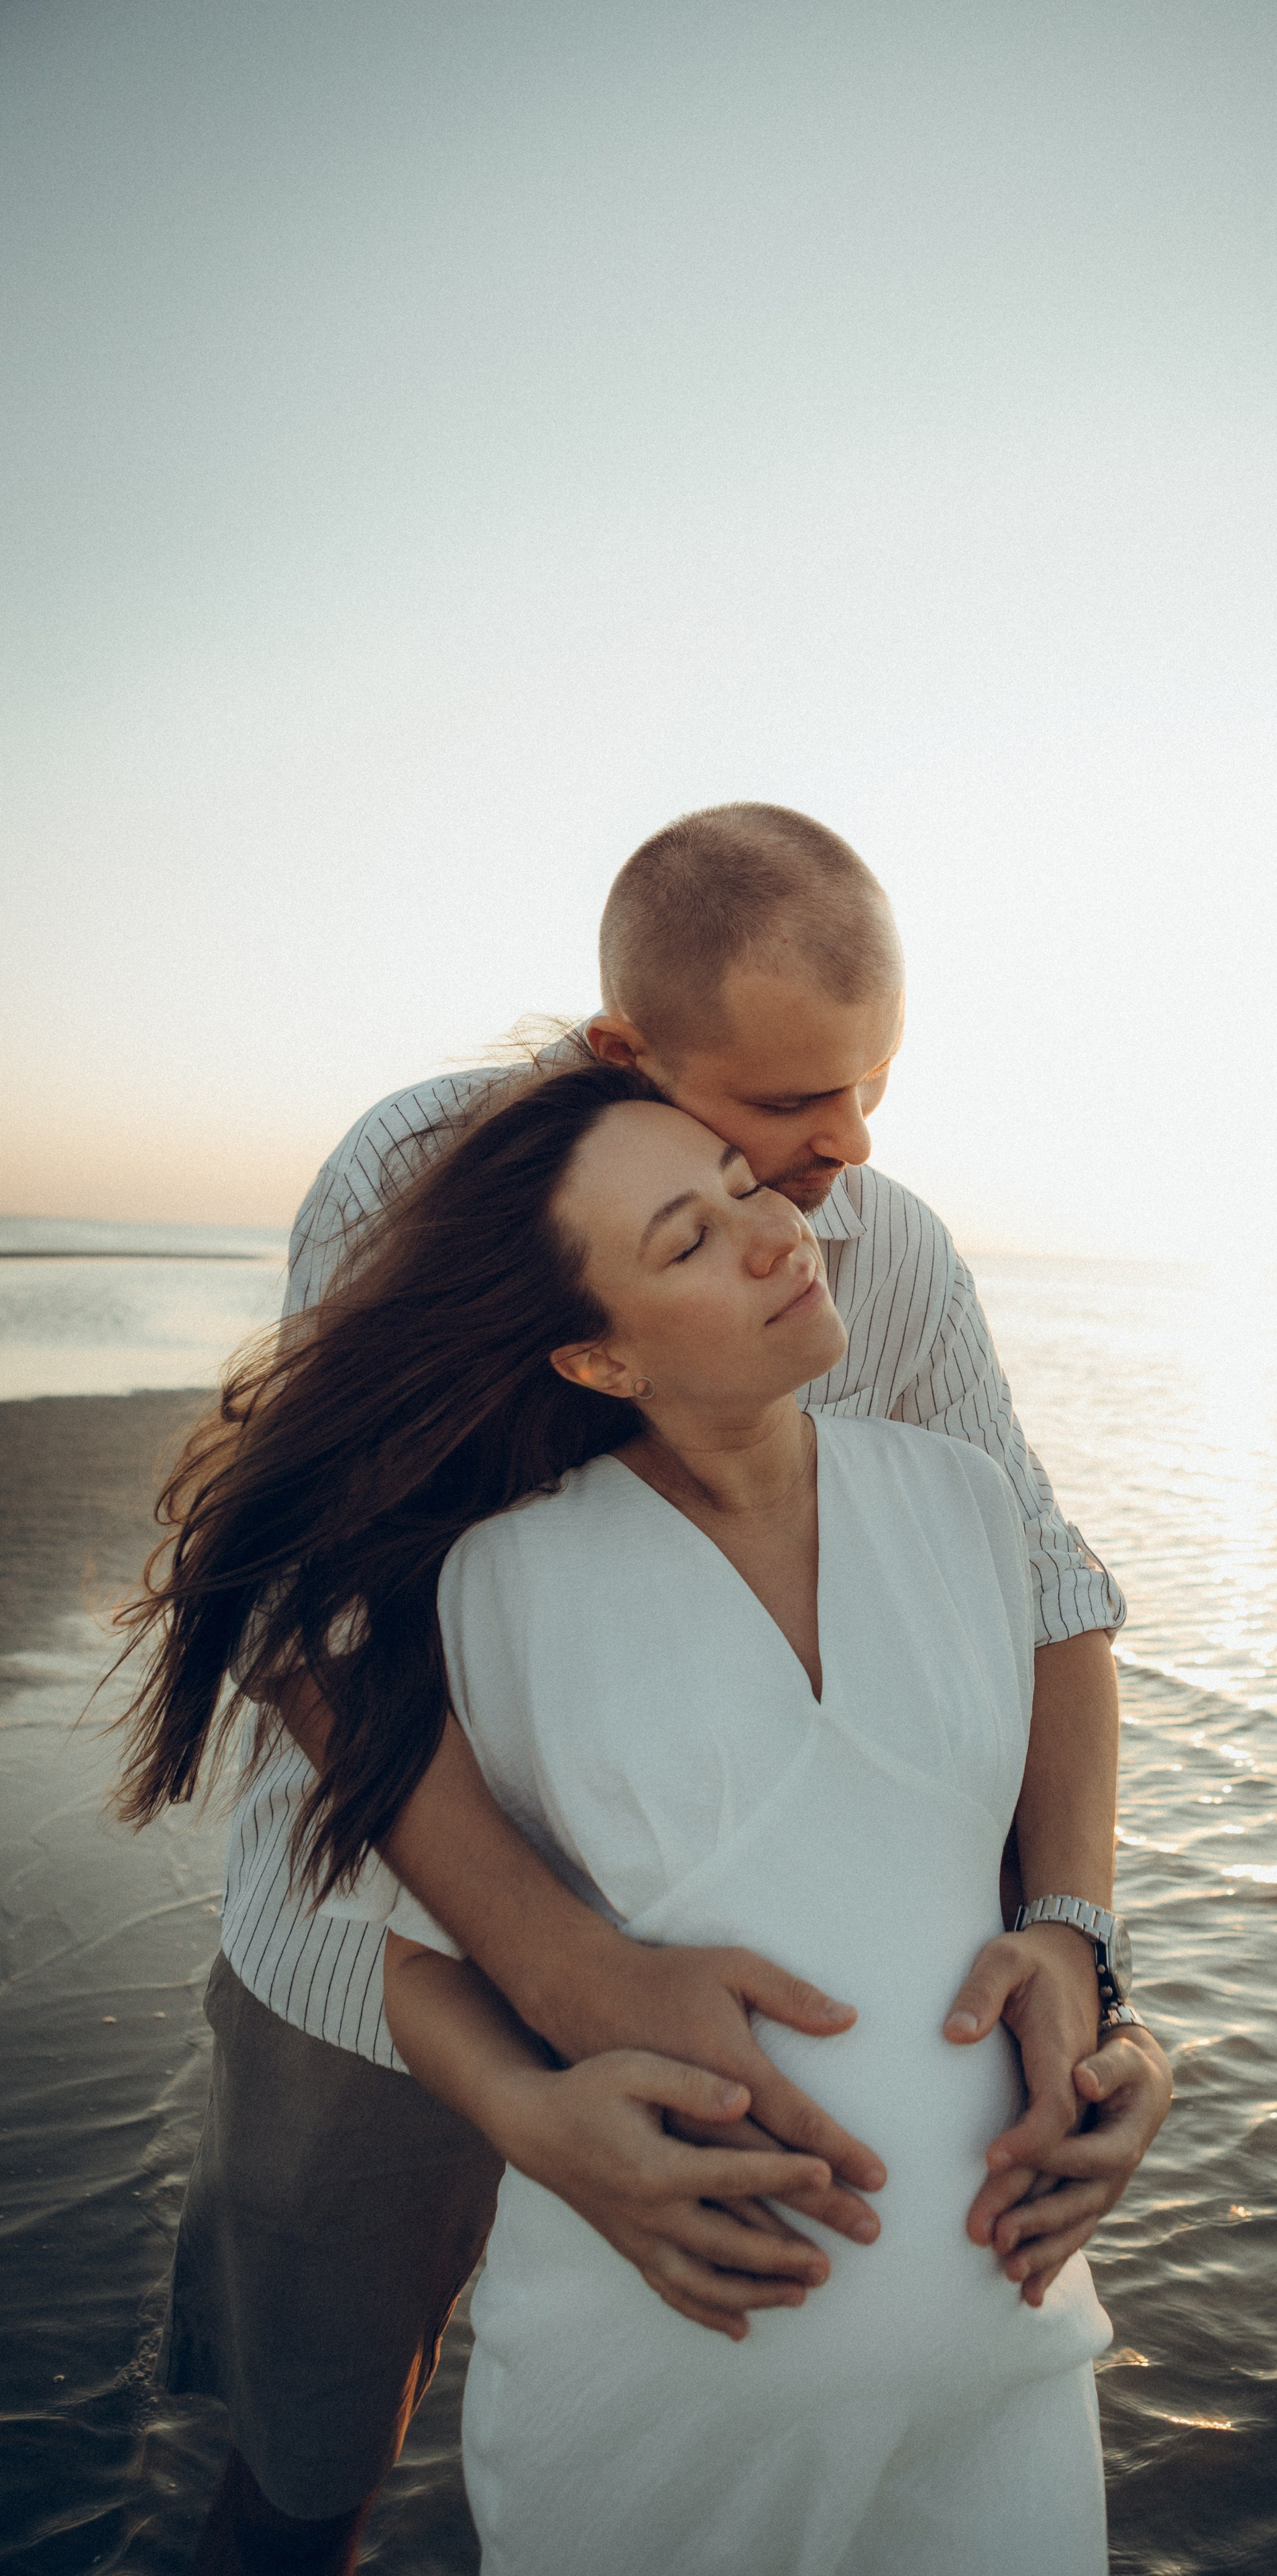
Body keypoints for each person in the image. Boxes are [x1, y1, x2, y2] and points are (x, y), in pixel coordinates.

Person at [119, 804, 1172, 2571]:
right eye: (780, 1107)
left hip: (740, 2024)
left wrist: (1075, 1935)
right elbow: (315, 1607)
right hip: (364, 1971)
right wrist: (568, 1978)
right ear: (628, 1052)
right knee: (312, 2475)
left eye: (870, 1087)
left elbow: (1054, 1597)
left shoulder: (873, 1249)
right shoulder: (412, 1179)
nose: (840, 1150)